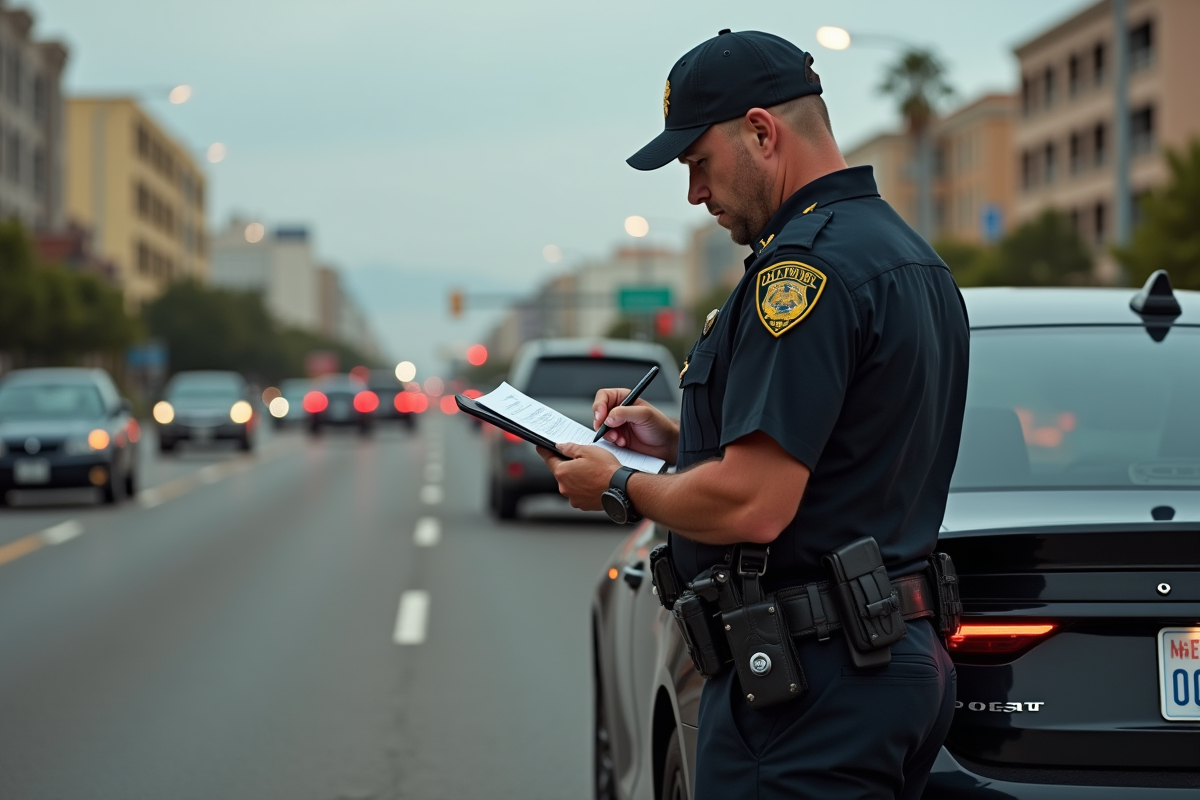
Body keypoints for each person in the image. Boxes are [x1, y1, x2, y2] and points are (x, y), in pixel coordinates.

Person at [537, 29, 968, 800]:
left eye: (697, 163)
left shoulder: (801, 274)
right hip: (886, 663)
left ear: (761, 132)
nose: (695, 194)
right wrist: (678, 439)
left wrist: (617, 486)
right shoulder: (909, 258)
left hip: (810, 689)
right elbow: (851, 450)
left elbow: (755, 502)